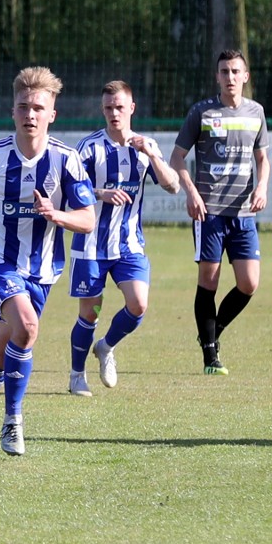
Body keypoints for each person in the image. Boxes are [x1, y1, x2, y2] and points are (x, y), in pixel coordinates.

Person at [0, 66, 96, 461]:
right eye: (23, 107)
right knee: (28, 328)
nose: (30, 114)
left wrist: (57, 215)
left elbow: (88, 220)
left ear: (52, 114)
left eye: (38, 107)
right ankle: (13, 420)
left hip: (43, 270)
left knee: (4, 349)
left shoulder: (67, 160)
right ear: (12, 112)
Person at [67, 80, 181, 396]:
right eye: (108, 108)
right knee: (90, 312)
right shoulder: (89, 149)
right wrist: (100, 193)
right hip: (90, 245)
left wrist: (152, 156)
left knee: (138, 304)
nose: (114, 113)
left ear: (131, 108)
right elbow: (66, 191)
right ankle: (77, 375)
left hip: (128, 245)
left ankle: (106, 347)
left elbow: (173, 186)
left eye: (119, 107)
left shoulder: (147, 148)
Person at [169, 49, 270, 375]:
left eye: (235, 71)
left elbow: (263, 159)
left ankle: (212, 333)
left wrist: (262, 187)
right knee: (208, 283)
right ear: (217, 77)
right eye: (224, 71)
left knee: (248, 283)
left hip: (243, 213)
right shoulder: (201, 112)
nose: (229, 77)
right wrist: (191, 193)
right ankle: (210, 356)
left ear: (245, 76)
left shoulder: (256, 112)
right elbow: (177, 159)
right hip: (209, 212)